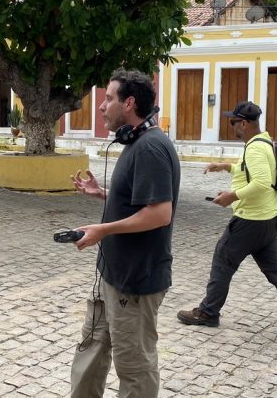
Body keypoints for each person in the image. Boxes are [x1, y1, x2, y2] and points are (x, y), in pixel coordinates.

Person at [69, 69, 180, 397]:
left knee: (135, 367)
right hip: (111, 276)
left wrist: (103, 229)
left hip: (135, 282)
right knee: (91, 349)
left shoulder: (150, 148)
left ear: (129, 103)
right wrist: (103, 193)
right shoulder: (136, 143)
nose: (102, 106)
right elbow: (139, 201)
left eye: (109, 98)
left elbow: (160, 213)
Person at [177, 101, 277, 335]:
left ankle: (208, 312)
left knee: (223, 259)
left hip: (250, 220)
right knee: (275, 270)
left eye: (233, 122)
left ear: (243, 123)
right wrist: (226, 166)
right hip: (268, 219)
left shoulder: (254, 148)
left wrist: (232, 196)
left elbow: (262, 182)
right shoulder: (265, 142)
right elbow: (251, 173)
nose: (232, 126)